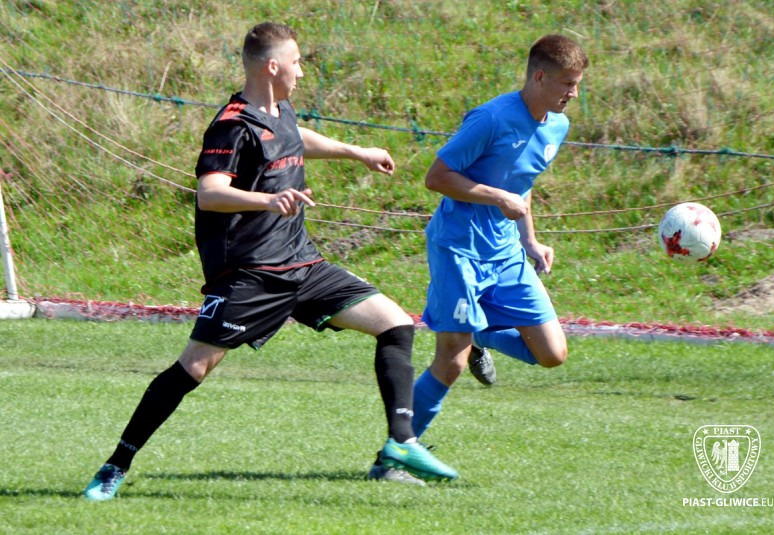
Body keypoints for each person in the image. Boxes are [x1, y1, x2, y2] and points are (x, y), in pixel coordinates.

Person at [83, 21, 457, 501]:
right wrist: (267, 200)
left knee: (395, 323)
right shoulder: (231, 125)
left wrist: (356, 152)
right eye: (297, 62)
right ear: (273, 66)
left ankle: (399, 445)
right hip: (251, 272)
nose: (302, 71)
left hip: (301, 263)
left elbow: (295, 137)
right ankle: (115, 466)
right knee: (193, 367)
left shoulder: (279, 110)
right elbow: (209, 193)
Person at [411, 35, 589, 443]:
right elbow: (436, 178)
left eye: (577, 84)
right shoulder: (491, 119)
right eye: (567, 84)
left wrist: (530, 241)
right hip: (459, 248)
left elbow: (521, 181)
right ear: (540, 77)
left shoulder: (557, 126)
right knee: (452, 361)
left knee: (552, 354)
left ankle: (479, 332)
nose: (574, 94)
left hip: (505, 251)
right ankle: (401, 447)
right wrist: (496, 197)